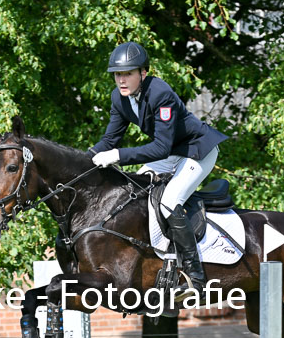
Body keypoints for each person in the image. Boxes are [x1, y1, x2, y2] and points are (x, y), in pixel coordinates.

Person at [89, 41, 227, 290]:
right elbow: (109, 140)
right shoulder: (119, 98)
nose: (121, 80)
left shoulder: (160, 93)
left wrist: (117, 155)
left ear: (143, 73)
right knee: (136, 191)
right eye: (117, 74)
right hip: (173, 152)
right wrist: (83, 162)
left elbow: (161, 148)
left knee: (169, 202)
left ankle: (196, 276)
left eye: (128, 73)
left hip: (197, 150)